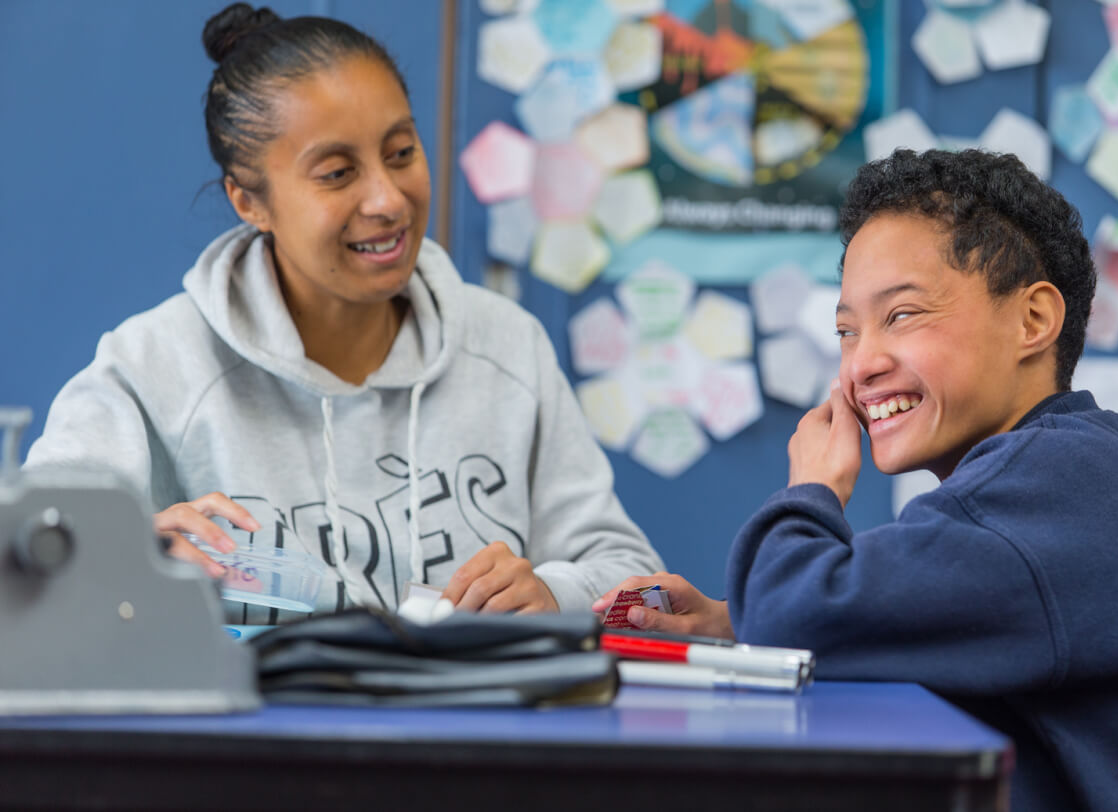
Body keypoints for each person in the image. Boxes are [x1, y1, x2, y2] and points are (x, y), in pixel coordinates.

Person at [594, 149, 1118, 810]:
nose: (861, 364)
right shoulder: (1077, 466)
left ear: (1032, 321)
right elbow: (845, 623)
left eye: (902, 315)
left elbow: (790, 616)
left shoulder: (1060, 481)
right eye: (845, 331)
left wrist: (813, 488)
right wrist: (728, 622)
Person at [25, 2, 662, 624]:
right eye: (336, 173)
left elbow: (639, 580)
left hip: (474, 727)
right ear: (250, 202)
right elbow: (24, 560)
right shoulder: (153, 366)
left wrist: (558, 591)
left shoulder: (506, 345)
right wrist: (124, 557)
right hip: (248, 732)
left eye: (402, 152)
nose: (388, 199)